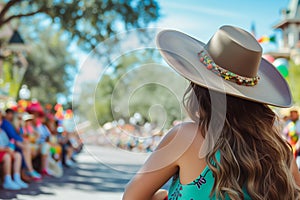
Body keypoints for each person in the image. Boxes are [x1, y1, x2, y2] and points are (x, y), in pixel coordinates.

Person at [123, 25, 300, 199]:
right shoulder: (280, 152)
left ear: (200, 90)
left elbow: (131, 197)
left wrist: (161, 196)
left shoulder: (186, 137)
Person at [1, 110, 41, 180]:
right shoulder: (6, 123)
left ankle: (23, 173)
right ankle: (27, 171)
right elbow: (13, 136)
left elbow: (18, 136)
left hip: (11, 145)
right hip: (10, 146)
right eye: (19, 118)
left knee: (23, 150)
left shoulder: (14, 125)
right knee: (23, 149)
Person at [0, 112, 28, 190]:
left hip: (4, 151)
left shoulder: (2, 131)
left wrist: (10, 149)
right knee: (7, 157)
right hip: (3, 152)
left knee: (18, 155)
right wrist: (7, 150)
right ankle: (7, 180)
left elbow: (7, 143)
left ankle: (17, 178)